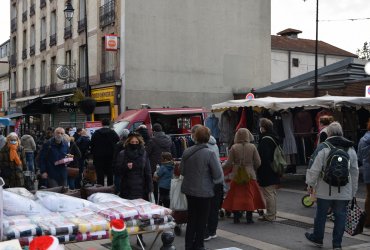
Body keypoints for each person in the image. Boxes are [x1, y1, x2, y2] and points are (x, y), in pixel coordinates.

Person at [305, 122, 359, 250]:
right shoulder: (350, 149)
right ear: (341, 133)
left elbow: (314, 169)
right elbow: (354, 171)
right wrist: (353, 191)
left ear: (328, 133)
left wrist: (310, 184)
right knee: (340, 216)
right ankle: (337, 244)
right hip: (344, 190)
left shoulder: (323, 147)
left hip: (324, 190)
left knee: (321, 214)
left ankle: (318, 238)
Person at [180, 125, 223, 250]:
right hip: (204, 191)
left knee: (192, 218)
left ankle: (188, 245)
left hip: (189, 190)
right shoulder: (210, 153)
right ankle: (199, 245)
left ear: (195, 137)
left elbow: (182, 171)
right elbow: (218, 174)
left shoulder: (187, 151)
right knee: (202, 219)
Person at [115, 132, 153, 247]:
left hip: (141, 188)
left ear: (140, 143)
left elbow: (148, 172)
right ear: (128, 142)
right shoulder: (123, 153)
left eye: (136, 142)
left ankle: (140, 237)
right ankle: (123, 238)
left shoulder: (144, 154)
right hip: (126, 188)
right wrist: (126, 167)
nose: (134, 144)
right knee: (126, 215)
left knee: (140, 215)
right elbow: (117, 170)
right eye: (132, 142)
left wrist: (150, 188)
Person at [222, 128, 265, 224]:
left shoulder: (234, 147)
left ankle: (236, 218)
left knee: (236, 196)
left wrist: (222, 168)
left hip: (237, 175)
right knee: (249, 195)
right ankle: (249, 218)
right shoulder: (252, 147)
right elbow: (258, 162)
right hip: (250, 175)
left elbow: (228, 164)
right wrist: (252, 168)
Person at [191, 124, 224, 241]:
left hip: (207, 181)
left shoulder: (202, 147)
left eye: (192, 134)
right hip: (217, 181)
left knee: (204, 209)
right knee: (213, 208)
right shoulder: (214, 144)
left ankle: (205, 233)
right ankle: (212, 231)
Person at [257, 118, 281, 222]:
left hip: (267, 169)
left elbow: (264, 157)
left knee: (268, 193)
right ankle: (273, 213)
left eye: (260, 126)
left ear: (263, 127)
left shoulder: (265, 139)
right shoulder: (274, 137)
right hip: (274, 167)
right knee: (272, 192)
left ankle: (270, 215)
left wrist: (260, 169)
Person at [146, 123, 175, 203]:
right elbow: (173, 151)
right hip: (168, 165)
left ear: (154, 131)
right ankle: (166, 203)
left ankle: (156, 202)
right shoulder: (169, 139)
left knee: (155, 186)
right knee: (166, 186)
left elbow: (146, 153)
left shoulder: (152, 141)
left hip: (155, 166)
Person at [91, 119, 119, 186]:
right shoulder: (113, 132)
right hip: (110, 156)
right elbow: (117, 141)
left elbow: (92, 144)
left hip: (98, 156)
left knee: (99, 173)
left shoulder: (96, 133)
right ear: (109, 124)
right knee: (110, 172)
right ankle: (110, 187)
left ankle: (100, 187)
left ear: (102, 124)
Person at [357, 120, 370, 228]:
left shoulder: (363, 139)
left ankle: (368, 220)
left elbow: (360, 157)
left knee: (369, 195)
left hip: (368, 170)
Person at [112, 128, 130, 194]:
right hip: (126, 164)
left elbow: (115, 156)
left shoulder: (118, 144)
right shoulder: (129, 144)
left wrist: (114, 164)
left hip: (118, 164)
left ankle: (118, 191)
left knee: (118, 179)